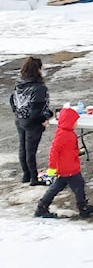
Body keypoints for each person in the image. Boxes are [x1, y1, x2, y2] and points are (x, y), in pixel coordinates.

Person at [34, 107, 93, 219]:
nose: (76, 123)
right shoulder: (63, 135)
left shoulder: (66, 133)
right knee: (78, 185)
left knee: (57, 187)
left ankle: (42, 207)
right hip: (69, 168)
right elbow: (54, 152)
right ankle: (83, 208)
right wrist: (52, 168)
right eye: (75, 121)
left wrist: (76, 152)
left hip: (67, 166)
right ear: (69, 122)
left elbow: (67, 149)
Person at [10, 57, 53, 186]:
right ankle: (34, 178)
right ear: (37, 70)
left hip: (20, 119)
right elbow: (36, 111)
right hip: (32, 123)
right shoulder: (39, 88)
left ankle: (26, 175)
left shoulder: (19, 84)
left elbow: (12, 100)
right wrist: (44, 119)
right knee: (31, 151)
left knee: (23, 148)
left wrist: (18, 113)